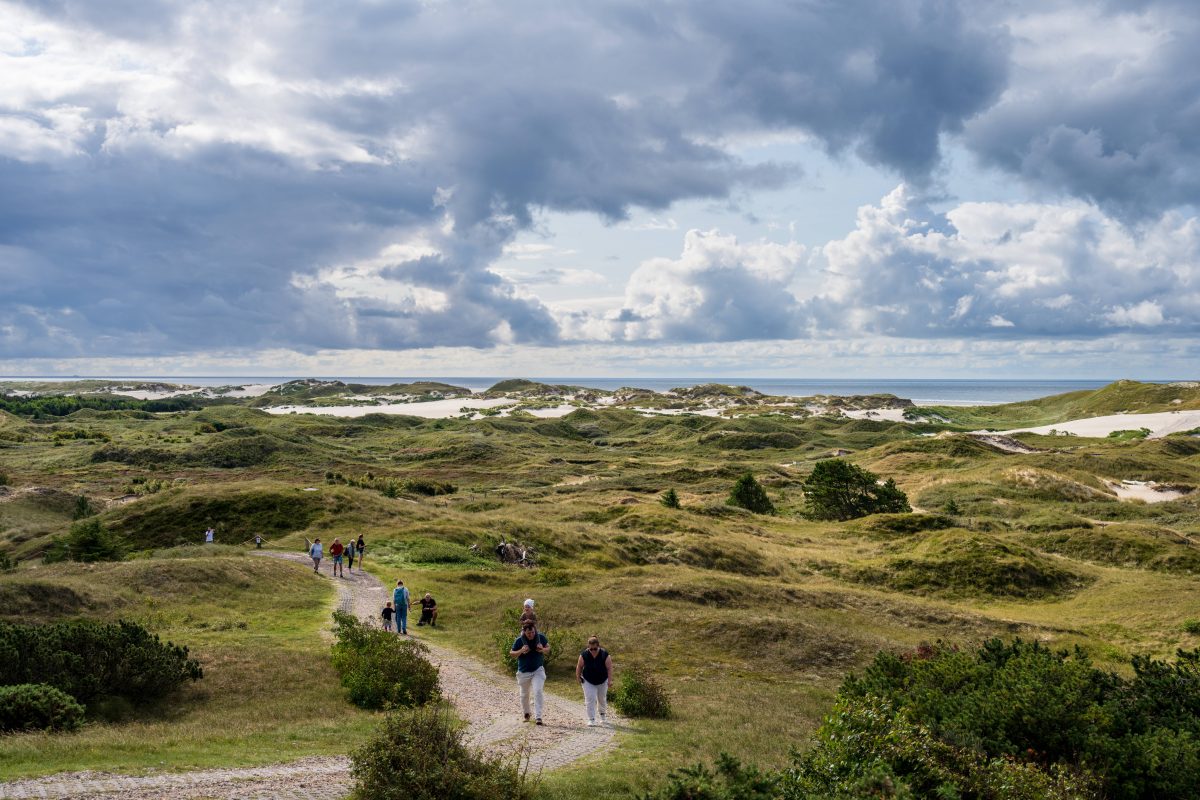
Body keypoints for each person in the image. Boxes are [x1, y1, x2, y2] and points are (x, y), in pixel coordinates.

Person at [510, 622, 549, 725]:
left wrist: (542, 649)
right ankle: (527, 713)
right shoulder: (519, 640)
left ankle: (539, 717)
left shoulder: (540, 637)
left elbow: (548, 649)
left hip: (538, 670)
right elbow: (512, 653)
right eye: (528, 633)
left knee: (538, 691)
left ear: (534, 630)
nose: (531, 635)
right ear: (524, 632)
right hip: (523, 672)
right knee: (524, 695)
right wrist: (521, 650)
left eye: (532, 632)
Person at [576, 635, 613, 726]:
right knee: (590, 698)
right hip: (588, 680)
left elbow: (609, 668)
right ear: (588, 647)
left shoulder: (605, 654)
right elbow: (579, 666)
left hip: (602, 680)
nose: (593, 651)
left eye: (595, 649)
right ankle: (591, 719)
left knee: (602, 699)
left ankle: (603, 716)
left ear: (598, 646)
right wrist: (578, 676)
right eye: (591, 649)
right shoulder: (584, 655)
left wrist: (610, 680)